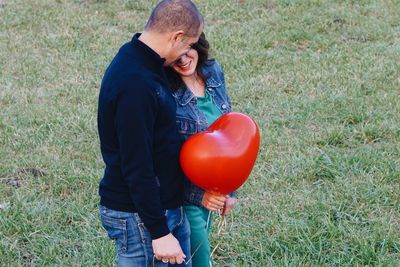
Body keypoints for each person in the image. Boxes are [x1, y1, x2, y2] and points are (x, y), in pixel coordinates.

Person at [97, 1, 203, 266]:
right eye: (187, 44)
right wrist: (159, 232)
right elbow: (136, 163)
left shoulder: (143, 58)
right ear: (176, 36)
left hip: (165, 206)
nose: (186, 53)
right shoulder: (136, 83)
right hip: (140, 217)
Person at [166, 32, 238, 267]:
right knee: (199, 260)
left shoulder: (213, 73)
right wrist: (201, 196)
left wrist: (229, 192)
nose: (183, 58)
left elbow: (229, 138)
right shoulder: (167, 92)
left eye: (188, 48)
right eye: (175, 54)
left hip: (214, 190)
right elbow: (167, 158)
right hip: (186, 199)